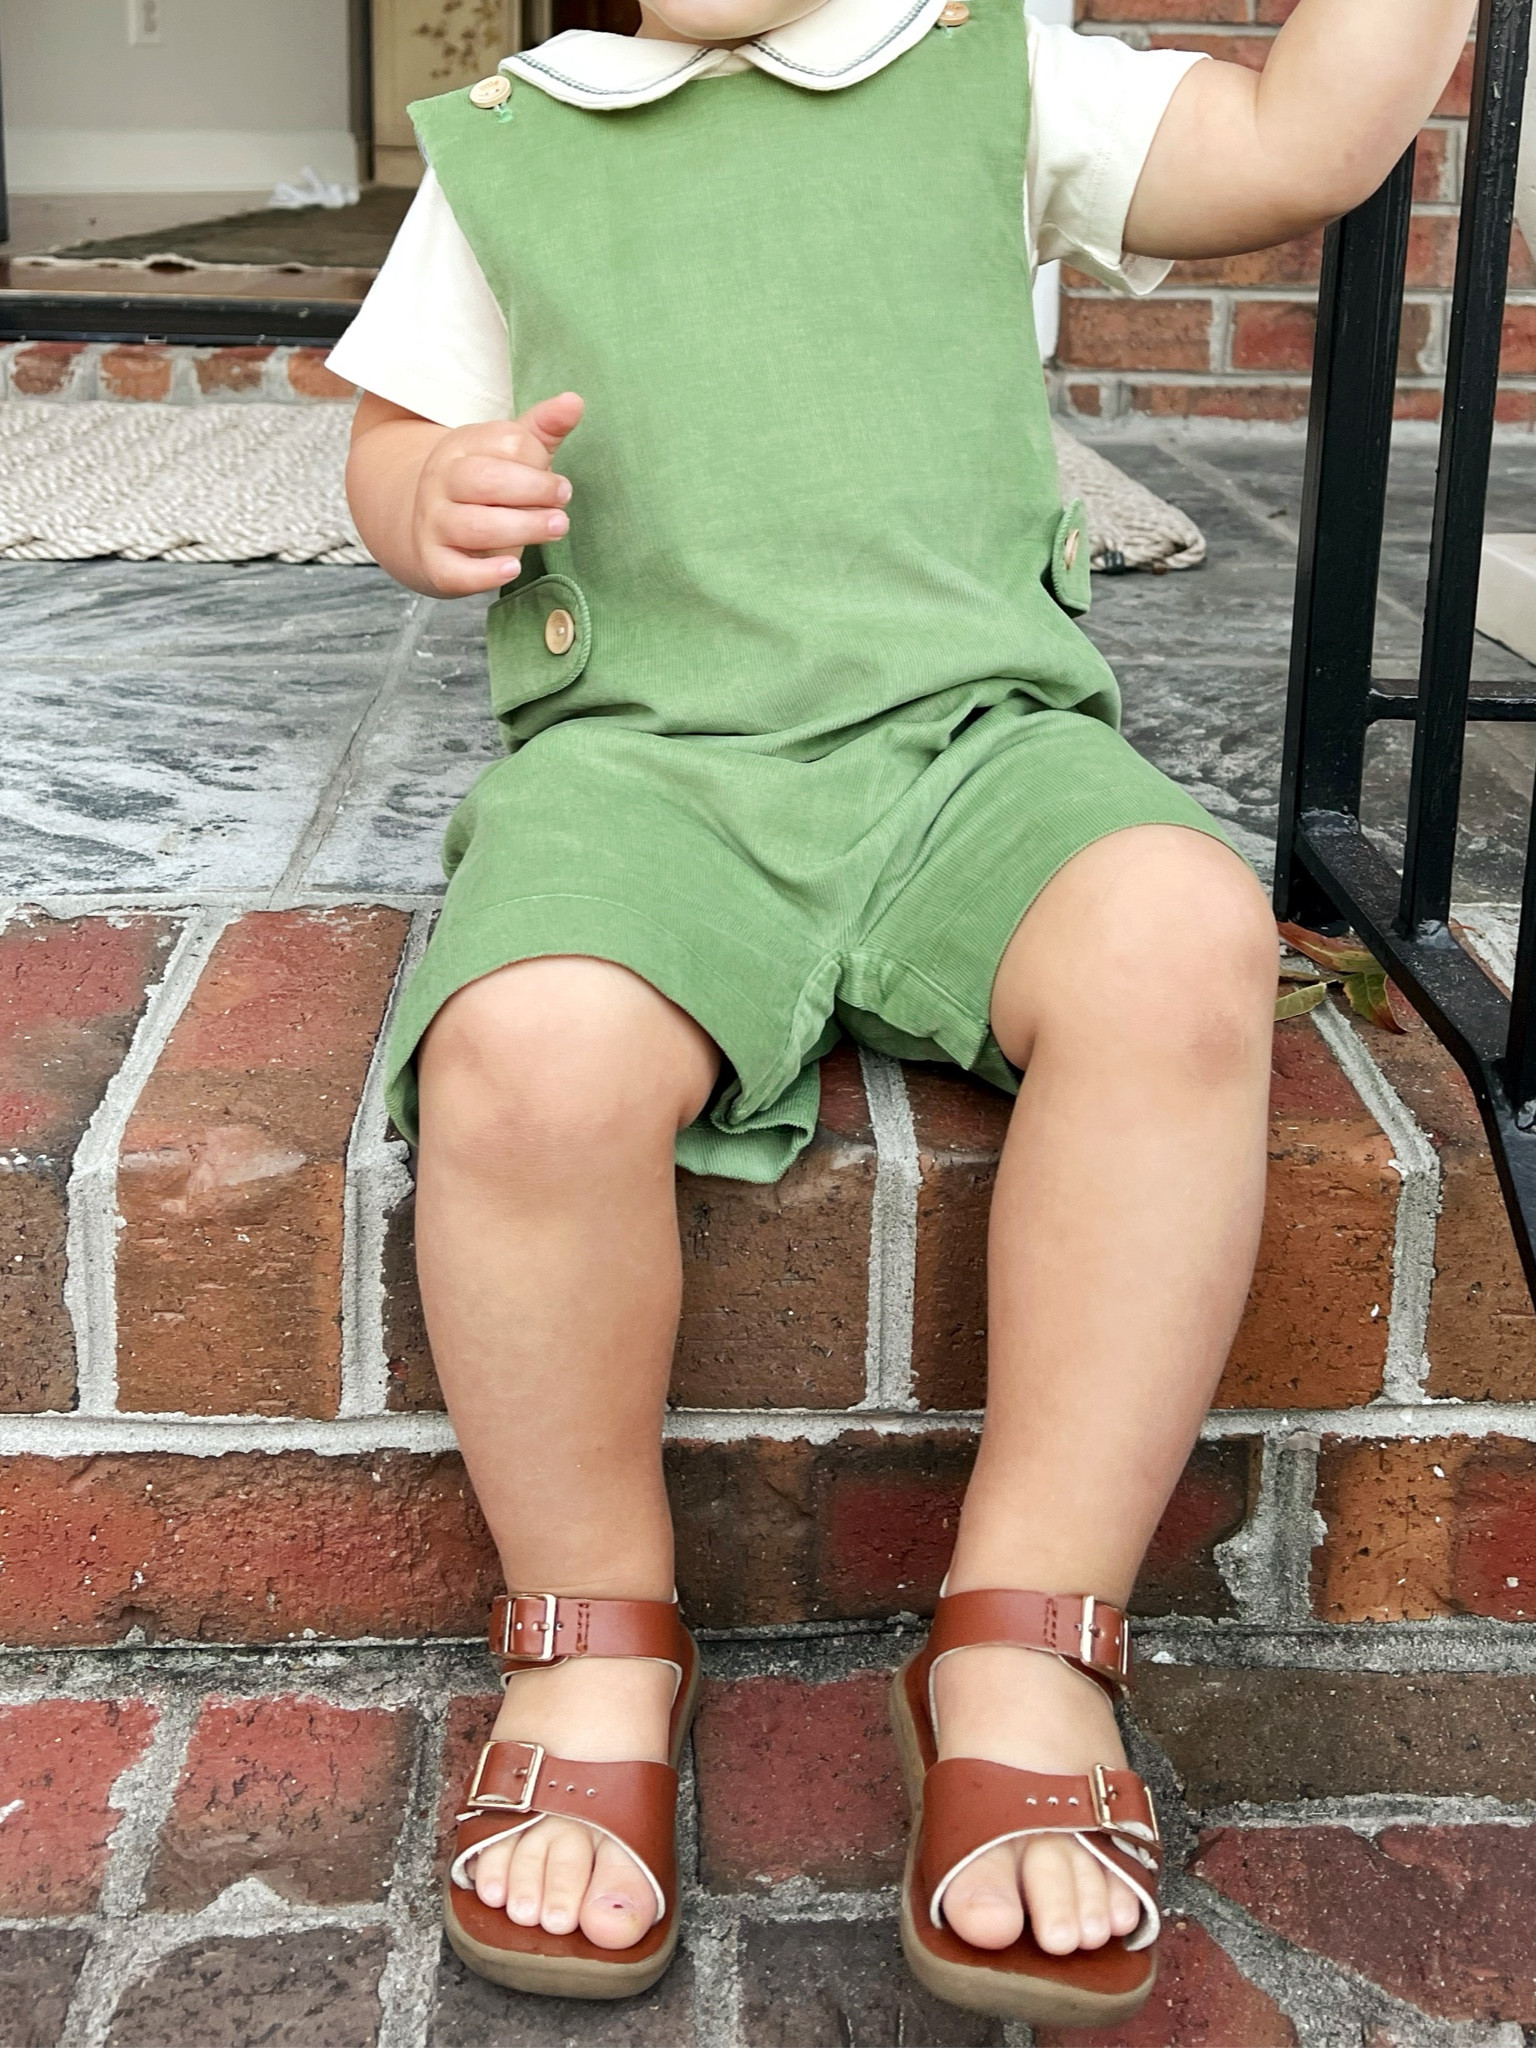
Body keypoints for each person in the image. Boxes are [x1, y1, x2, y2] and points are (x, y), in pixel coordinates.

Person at [333, 0, 1475, 2023]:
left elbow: (1300, 140)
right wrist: (434, 492)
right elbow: (388, 436)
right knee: (524, 1055)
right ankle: (590, 1632)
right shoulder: (514, 139)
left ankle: (1027, 1633)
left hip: (978, 751)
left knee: (1181, 937)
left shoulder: (989, 63)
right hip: (649, 769)